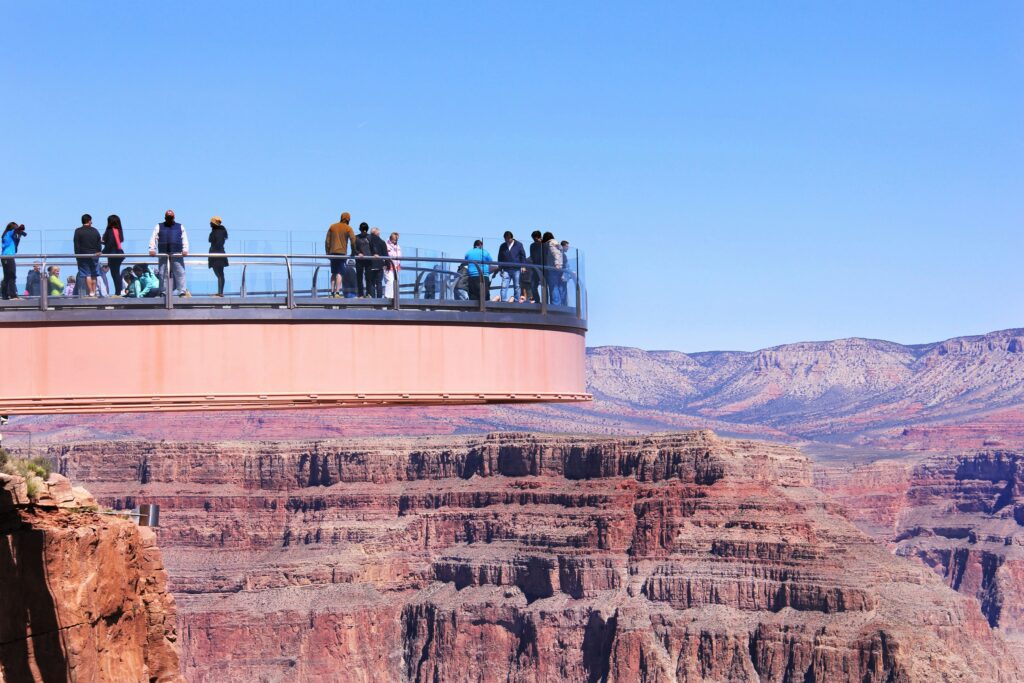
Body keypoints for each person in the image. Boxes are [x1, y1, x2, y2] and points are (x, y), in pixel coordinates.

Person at [148, 210, 190, 296]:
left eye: (170, 218)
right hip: (163, 252)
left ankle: (182, 291)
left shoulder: (180, 226)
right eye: (168, 217)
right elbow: (154, 237)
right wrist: (152, 249)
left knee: (180, 271)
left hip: (177, 252)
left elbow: (184, 238)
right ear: (165, 218)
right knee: (163, 272)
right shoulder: (159, 226)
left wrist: (185, 249)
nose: (169, 219)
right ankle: (163, 291)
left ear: (174, 218)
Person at [324, 212, 356, 298]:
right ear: (348, 219)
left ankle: (332, 292)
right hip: (342, 253)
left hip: (332, 253)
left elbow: (327, 241)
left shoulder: (332, 226)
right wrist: (353, 252)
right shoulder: (348, 228)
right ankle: (337, 292)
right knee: (340, 273)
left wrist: (327, 252)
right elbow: (353, 240)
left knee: (333, 272)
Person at [73, 214, 103, 297]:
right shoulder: (95, 230)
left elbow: (76, 244)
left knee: (87, 274)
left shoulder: (78, 231)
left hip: (83, 255)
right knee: (94, 274)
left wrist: (77, 256)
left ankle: (91, 292)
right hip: (94, 255)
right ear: (89, 220)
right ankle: (94, 290)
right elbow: (99, 242)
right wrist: (98, 251)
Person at [496, 231, 527, 303]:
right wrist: (500, 267)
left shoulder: (519, 245)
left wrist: (523, 266)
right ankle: (503, 301)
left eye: (508, 239)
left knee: (517, 286)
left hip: (516, 269)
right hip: (506, 269)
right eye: (505, 239)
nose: (507, 240)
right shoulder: (503, 246)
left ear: (511, 238)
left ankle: (516, 301)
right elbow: (500, 257)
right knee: (504, 286)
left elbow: (523, 256)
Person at [1, 222, 26, 300]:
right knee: (12, 275)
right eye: (15, 227)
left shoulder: (10, 236)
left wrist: (19, 237)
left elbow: (15, 249)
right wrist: (20, 228)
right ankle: (12, 295)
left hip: (7, 257)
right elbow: (15, 230)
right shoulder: (9, 233)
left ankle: (5, 295)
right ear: (12, 228)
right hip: (8, 257)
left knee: (7, 277)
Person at [102, 215, 126, 295]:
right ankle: (117, 292)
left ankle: (118, 293)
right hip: (118, 253)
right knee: (116, 273)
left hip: (113, 254)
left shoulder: (110, 230)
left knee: (115, 274)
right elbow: (118, 240)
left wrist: (102, 252)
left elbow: (110, 243)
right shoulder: (118, 230)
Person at [208, 216, 229, 297]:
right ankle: (220, 292)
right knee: (220, 274)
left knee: (219, 274)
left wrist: (214, 251)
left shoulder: (217, 232)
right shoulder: (221, 231)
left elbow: (213, 241)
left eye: (211, 222)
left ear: (213, 223)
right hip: (219, 254)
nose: (210, 223)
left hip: (216, 255)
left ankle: (220, 293)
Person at [542, 231, 564, 305]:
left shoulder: (551, 243)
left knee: (553, 286)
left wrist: (556, 264)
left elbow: (555, 253)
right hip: (559, 267)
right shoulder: (557, 243)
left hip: (553, 268)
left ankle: (555, 304)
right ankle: (559, 303)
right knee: (558, 286)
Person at [366, 227, 389, 298]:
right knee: (379, 283)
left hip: (370, 264)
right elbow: (385, 254)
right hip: (379, 264)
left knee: (372, 282)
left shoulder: (367, 240)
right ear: (378, 233)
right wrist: (387, 264)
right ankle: (379, 299)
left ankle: (373, 299)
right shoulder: (382, 242)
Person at [353, 223, 372, 297]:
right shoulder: (356, 237)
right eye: (362, 230)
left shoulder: (370, 237)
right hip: (359, 260)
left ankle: (369, 293)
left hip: (368, 259)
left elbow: (373, 247)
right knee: (359, 277)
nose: (364, 232)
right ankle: (360, 294)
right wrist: (358, 253)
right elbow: (353, 248)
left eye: (365, 230)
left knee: (368, 277)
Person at [527, 230, 544, 304]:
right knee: (533, 286)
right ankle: (537, 301)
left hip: (544, 268)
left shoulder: (545, 244)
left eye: (535, 238)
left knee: (545, 286)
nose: (534, 240)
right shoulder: (532, 245)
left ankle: (545, 302)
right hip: (535, 268)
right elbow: (532, 257)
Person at [384, 231, 401, 299]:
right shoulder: (386, 244)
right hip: (388, 266)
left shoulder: (398, 246)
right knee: (390, 281)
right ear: (391, 238)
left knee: (395, 282)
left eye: (396, 240)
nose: (395, 241)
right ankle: (387, 296)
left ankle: (394, 297)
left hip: (396, 267)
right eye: (394, 239)